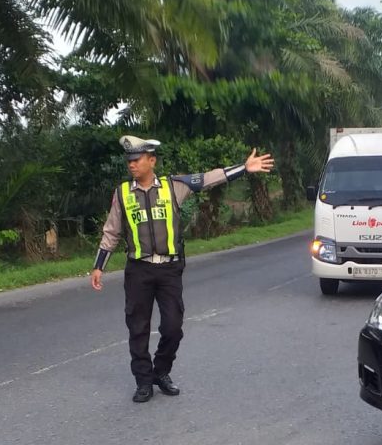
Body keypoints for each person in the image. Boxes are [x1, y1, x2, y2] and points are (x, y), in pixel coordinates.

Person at [90, 136, 274, 403]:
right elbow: (111, 231)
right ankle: (143, 381)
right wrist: (99, 267)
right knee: (138, 328)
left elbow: (209, 178)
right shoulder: (122, 193)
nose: (131, 165)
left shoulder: (173, 186)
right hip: (138, 271)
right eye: (129, 160)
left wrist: (243, 168)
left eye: (137, 160)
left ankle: (161, 372)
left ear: (151, 160)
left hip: (168, 270)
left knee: (173, 327)